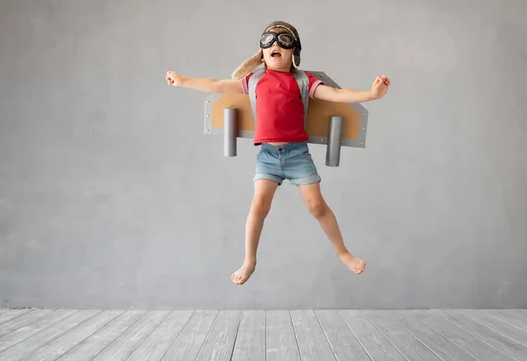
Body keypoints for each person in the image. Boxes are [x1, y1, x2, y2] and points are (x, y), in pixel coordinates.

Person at [166, 21, 390, 285]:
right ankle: (249, 260)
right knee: (258, 206)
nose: (275, 45)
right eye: (269, 41)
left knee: (317, 206)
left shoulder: (304, 81)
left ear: (293, 52)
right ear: (261, 53)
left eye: (283, 41)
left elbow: (337, 94)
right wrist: (183, 81)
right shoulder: (253, 80)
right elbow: (216, 85)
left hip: (297, 155)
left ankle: (342, 252)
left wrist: (371, 94)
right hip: (268, 157)